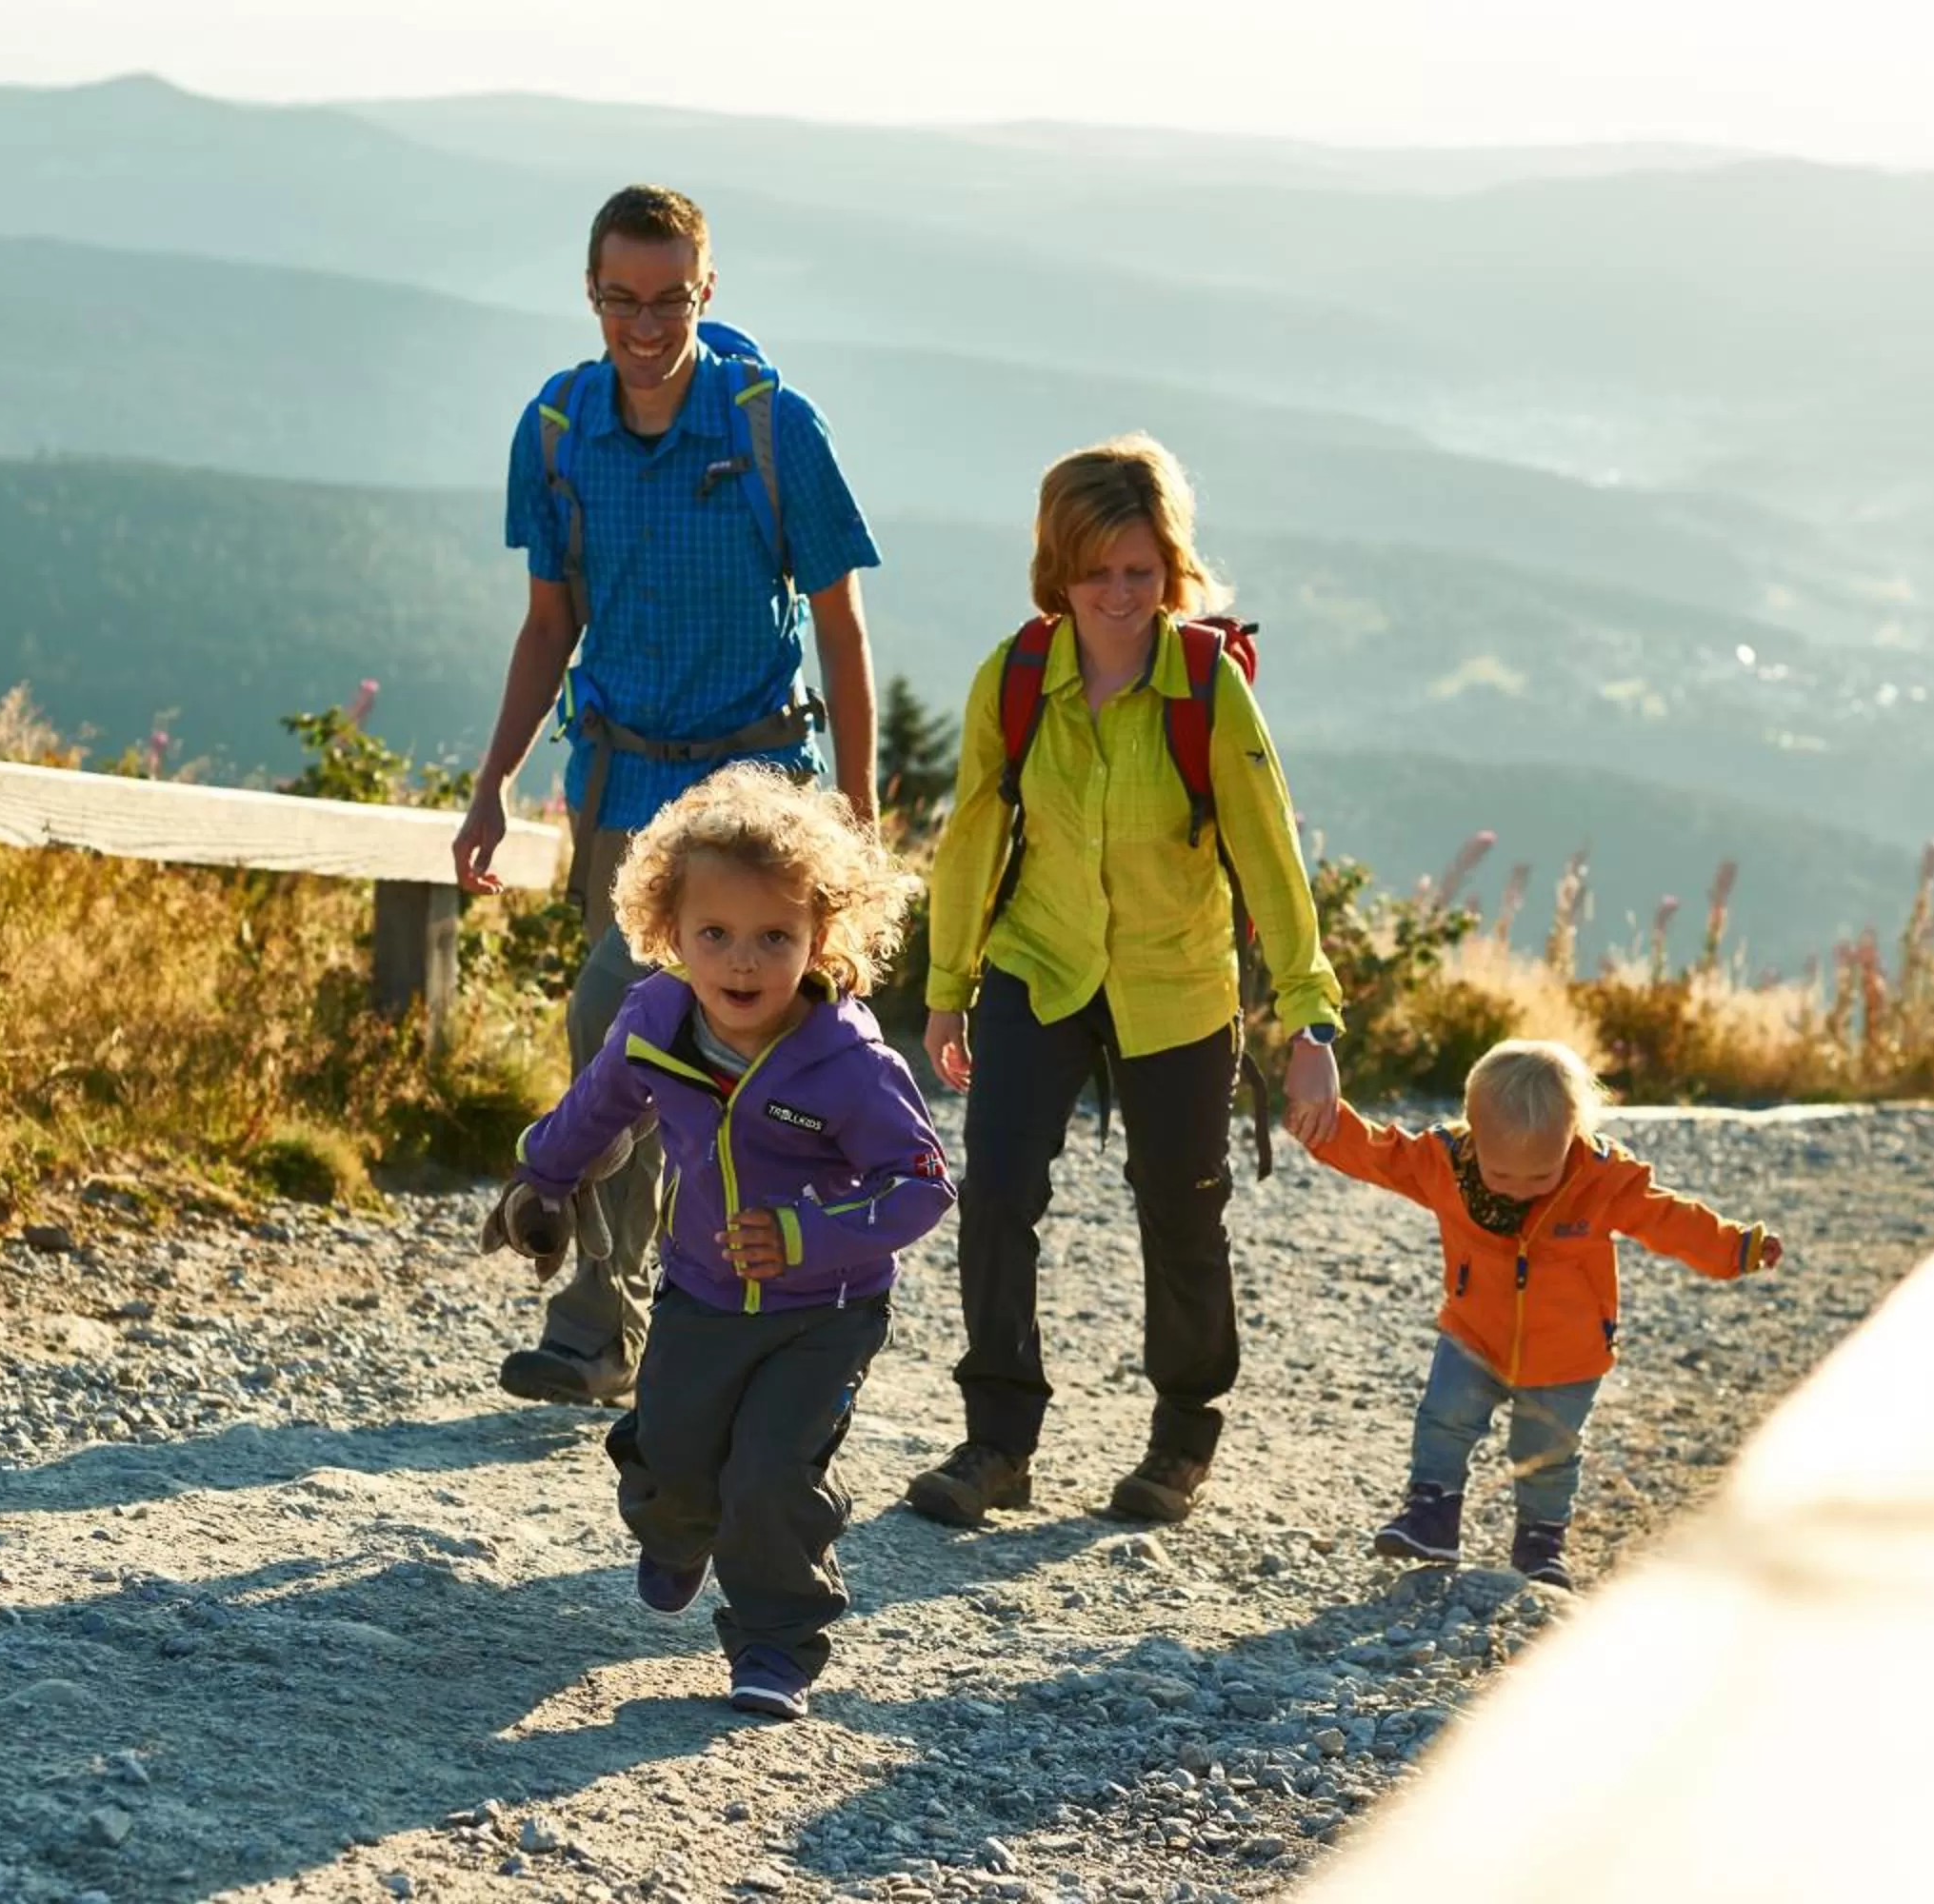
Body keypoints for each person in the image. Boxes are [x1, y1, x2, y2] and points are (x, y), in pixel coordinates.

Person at [453, 182, 886, 1408]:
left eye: (669, 298)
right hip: (616, 788)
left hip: (755, 790)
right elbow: (549, 625)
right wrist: (493, 786)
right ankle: (614, 1319)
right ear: (591, 292)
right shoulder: (555, 428)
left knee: (685, 1037)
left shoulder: (769, 425)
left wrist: (853, 807)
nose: (645, 325)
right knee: (629, 1039)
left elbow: (843, 625)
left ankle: (681, 1313)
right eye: (620, 299)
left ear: (708, 289)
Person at [904, 433, 1344, 1531]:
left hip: (1175, 980)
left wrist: (1311, 1016)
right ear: (1059, 570)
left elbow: (1269, 857)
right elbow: (967, 840)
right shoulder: (1015, 679)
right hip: (1037, 962)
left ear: (1172, 570)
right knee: (998, 1192)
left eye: (1140, 571)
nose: (1117, 594)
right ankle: (997, 1441)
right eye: (1096, 571)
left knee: (1182, 1210)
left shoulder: (1206, 688)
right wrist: (947, 986)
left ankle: (1181, 1437)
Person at [485, 764, 949, 1719]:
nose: (743, 962)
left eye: (775, 937)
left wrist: (804, 1233)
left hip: (822, 1312)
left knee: (773, 1473)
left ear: (823, 936)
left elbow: (922, 1185)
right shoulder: (657, 1020)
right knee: (673, 1453)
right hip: (697, 1291)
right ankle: (677, 1522)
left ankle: (777, 1641)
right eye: (716, 935)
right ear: (669, 933)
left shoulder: (851, 1063)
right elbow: (596, 1105)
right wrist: (543, 1177)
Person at [1304, 1038, 1785, 1587]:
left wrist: (1735, 1248)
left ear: (1573, 1138)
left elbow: (1669, 1219)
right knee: (1444, 1417)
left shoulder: (1602, 1181)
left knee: (1547, 1451)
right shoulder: (1443, 1163)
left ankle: (1540, 1538)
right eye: (1502, 1175)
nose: (1520, 1190)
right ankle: (1431, 1511)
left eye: (1540, 1176)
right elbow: (1379, 1153)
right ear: (1473, 1135)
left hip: (1568, 1353)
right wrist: (1322, 1124)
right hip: (1473, 1332)